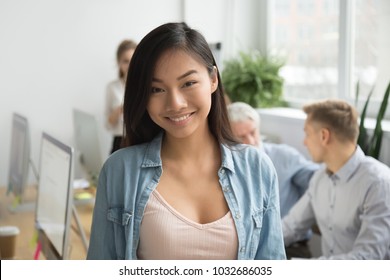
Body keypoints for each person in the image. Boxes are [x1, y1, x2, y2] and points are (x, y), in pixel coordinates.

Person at [87, 22, 286, 260]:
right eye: (156, 90)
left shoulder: (257, 168)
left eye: (188, 83)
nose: (175, 103)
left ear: (213, 79)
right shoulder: (120, 170)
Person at [282, 99, 390, 259]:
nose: (304, 142)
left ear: (324, 136)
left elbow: (368, 258)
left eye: (307, 133)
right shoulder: (319, 178)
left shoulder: (378, 183)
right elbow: (291, 226)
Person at [227, 101, 319, 259]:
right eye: (241, 137)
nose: (250, 141)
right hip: (245, 253)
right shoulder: (227, 169)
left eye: (253, 132)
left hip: (289, 247)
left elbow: (320, 179)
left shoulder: (284, 157)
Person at [105, 39, 137, 154]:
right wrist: (120, 109)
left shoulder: (145, 85)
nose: (130, 65)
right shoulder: (112, 88)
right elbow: (108, 125)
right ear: (118, 62)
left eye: (132, 60)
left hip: (139, 141)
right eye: (125, 61)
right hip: (119, 142)